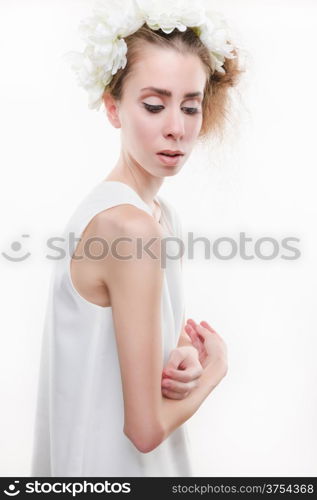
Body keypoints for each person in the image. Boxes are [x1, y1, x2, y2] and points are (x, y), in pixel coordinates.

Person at [30, 0, 243, 477]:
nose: (176, 127)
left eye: (191, 106)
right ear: (113, 108)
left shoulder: (157, 215)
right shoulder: (130, 227)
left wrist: (183, 356)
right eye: (153, 105)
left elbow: (132, 348)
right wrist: (215, 370)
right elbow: (144, 430)